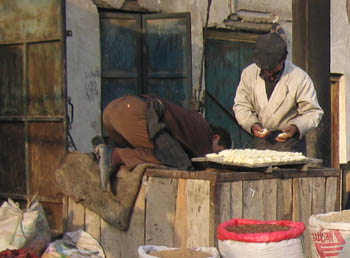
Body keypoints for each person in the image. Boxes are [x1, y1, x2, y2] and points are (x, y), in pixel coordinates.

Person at [95, 94, 232, 191]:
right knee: (167, 159)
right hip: (134, 112)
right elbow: (200, 163)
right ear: (216, 138)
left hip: (112, 110)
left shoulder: (191, 124)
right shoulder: (203, 132)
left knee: (144, 151)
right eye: (218, 151)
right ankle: (114, 155)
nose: (215, 155)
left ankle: (105, 150)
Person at [233, 32, 324, 154]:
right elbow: (241, 106)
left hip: (290, 145)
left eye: (273, 69)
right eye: (265, 70)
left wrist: (296, 127)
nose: (269, 73)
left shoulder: (299, 77)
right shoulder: (249, 74)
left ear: (284, 58)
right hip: (260, 143)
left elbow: (313, 112)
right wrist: (251, 123)